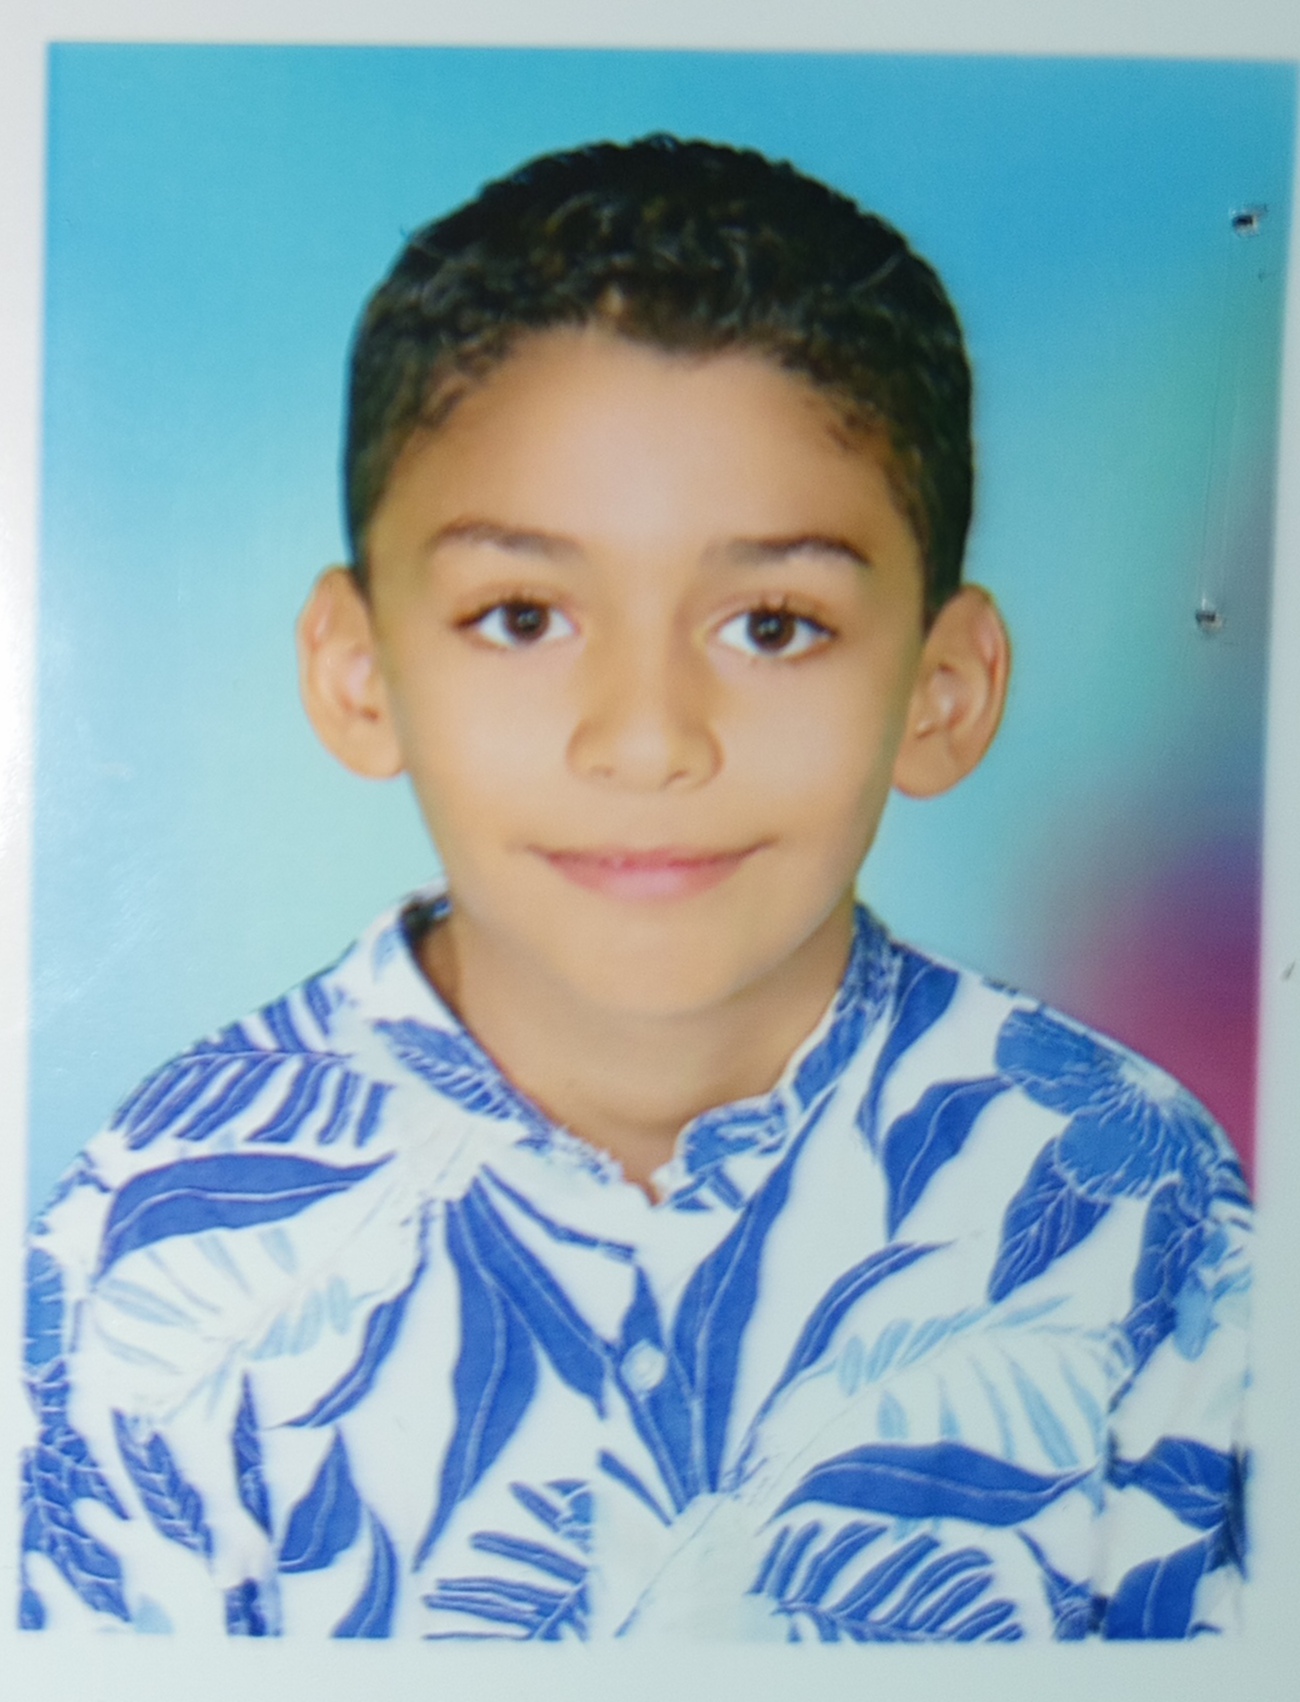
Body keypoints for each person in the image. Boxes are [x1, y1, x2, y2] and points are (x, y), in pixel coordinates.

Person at [20, 136, 1250, 1641]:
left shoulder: (1130, 1196)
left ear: (942, 690)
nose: (650, 739)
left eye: (774, 624)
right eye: (522, 615)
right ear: (359, 672)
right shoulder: (166, 1226)